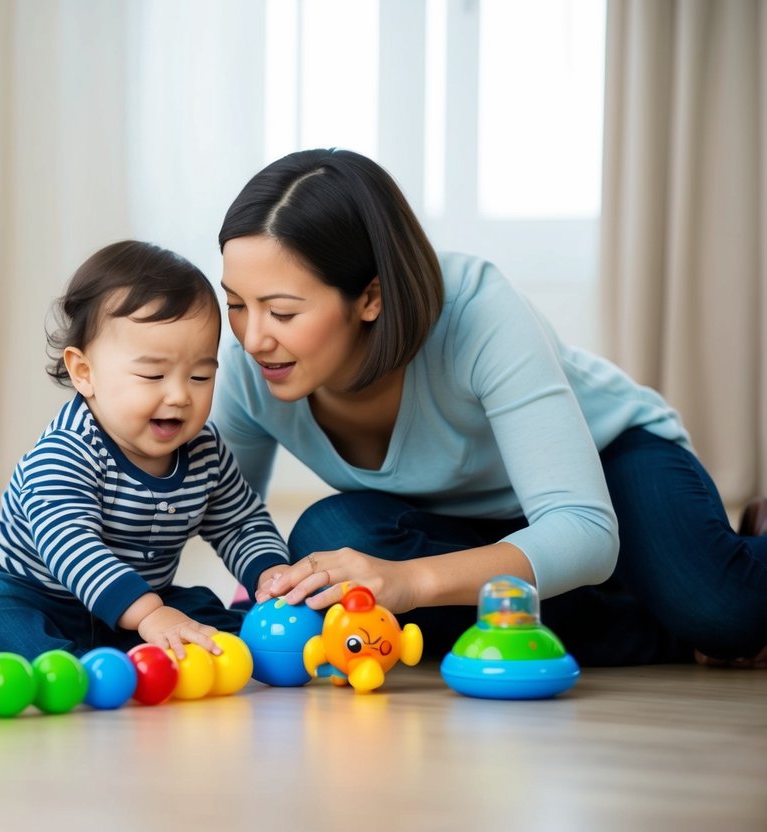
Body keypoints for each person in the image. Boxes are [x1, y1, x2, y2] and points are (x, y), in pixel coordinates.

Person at [212, 147, 767, 667]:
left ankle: (690, 591)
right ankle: (646, 610)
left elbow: (582, 528)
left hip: (607, 466)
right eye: (236, 304)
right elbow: (224, 512)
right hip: (463, 529)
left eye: (281, 312)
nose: (253, 337)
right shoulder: (250, 370)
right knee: (325, 544)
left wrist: (414, 582)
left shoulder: (476, 310)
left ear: (371, 297)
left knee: (723, 612)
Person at [0, 240, 291, 664]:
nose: (180, 395)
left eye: (200, 376)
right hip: (40, 601)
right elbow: (72, 545)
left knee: (199, 607)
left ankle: (174, 651)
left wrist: (272, 576)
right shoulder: (66, 452)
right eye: (153, 374)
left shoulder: (204, 451)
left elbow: (240, 522)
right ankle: (61, 667)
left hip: (140, 606)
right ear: (84, 373)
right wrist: (150, 615)